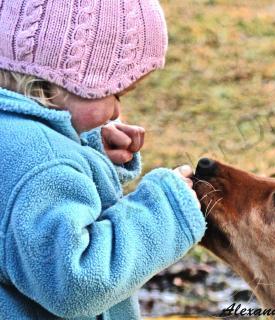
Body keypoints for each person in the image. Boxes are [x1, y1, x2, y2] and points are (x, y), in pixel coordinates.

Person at [0, 0, 205, 319]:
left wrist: (87, 154)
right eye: (116, 94)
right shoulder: (45, 164)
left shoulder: (15, 140)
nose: (115, 113)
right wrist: (164, 210)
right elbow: (77, 282)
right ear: (64, 81)